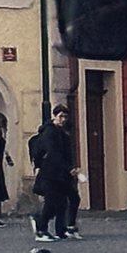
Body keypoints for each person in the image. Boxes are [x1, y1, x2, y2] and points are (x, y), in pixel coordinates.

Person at [30, 102, 80, 243]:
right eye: (61, 116)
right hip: (50, 173)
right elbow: (53, 153)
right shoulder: (49, 132)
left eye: (65, 117)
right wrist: (69, 168)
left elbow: (65, 153)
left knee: (63, 203)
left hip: (61, 174)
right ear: (54, 116)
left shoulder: (62, 132)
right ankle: (41, 230)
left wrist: (71, 167)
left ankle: (61, 230)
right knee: (51, 203)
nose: (63, 119)